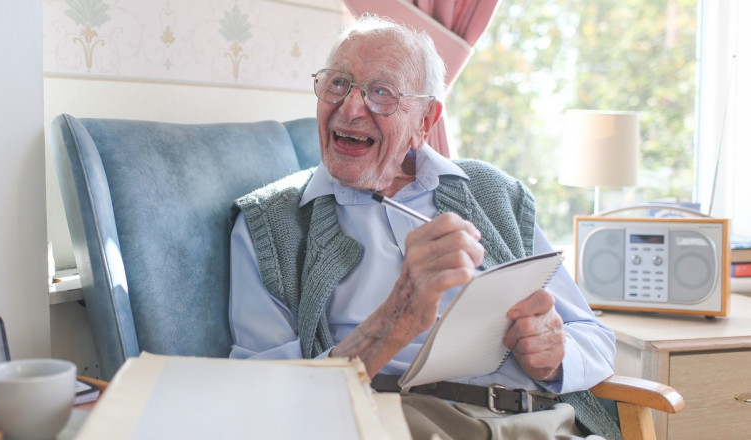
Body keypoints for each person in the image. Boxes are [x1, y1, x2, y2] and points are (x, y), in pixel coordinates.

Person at [228, 14, 617, 440]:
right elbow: (259, 396)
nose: (350, 109)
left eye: (381, 92)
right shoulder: (270, 224)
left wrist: (554, 354)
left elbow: (595, 338)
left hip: (539, 421)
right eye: (338, 83)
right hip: (396, 421)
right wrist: (395, 319)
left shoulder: (492, 193)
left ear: (425, 121)